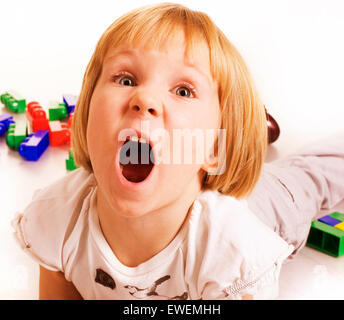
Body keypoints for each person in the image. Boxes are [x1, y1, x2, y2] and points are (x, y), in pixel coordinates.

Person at [11, 3, 344, 300]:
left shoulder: (233, 252)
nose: (144, 99)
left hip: (266, 208)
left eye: (183, 90)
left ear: (214, 148)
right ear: (85, 118)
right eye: (126, 79)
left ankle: (249, 124)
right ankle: (249, 121)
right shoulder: (56, 219)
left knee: (313, 177)